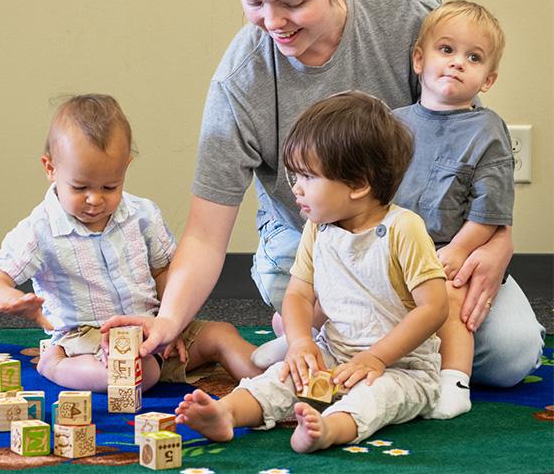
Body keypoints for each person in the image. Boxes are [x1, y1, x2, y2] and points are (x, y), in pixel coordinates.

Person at [101, 0, 543, 390]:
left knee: (508, 356)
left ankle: (318, 341)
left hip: (421, 234)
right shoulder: (241, 80)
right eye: (252, 1)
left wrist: (497, 241)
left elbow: (471, 143)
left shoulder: (408, 11)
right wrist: (168, 322)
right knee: (371, 342)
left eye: (292, 2)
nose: (272, 22)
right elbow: (204, 234)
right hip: (311, 234)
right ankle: (318, 337)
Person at [175, 91, 448, 453]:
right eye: (294, 175)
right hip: (333, 354)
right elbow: (299, 294)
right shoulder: (319, 228)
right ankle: (227, 413)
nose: (296, 188)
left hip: (403, 367)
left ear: (359, 184)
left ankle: (330, 429)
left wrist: (377, 357)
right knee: (280, 377)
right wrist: (302, 342)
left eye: (307, 176)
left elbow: (434, 308)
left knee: (376, 397)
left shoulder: (404, 228)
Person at [0, 94, 261, 392]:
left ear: (126, 166)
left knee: (222, 334)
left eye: (109, 186)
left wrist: (172, 322)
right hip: (86, 341)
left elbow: (164, 271)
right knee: (139, 373)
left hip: (152, 328)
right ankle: (55, 364)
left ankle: (275, 384)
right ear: (51, 168)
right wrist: (9, 300)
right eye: (80, 187)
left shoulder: (143, 215)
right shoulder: (39, 229)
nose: (95, 199)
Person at [393, 1, 544, 418]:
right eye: (447, 50)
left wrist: (458, 251)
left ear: (488, 78)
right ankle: (304, 341)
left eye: (473, 57)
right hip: (392, 250)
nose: (458, 63)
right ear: (419, 59)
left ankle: (453, 382)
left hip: (454, 250)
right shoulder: (392, 123)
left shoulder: (487, 131)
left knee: (450, 296)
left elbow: (489, 212)